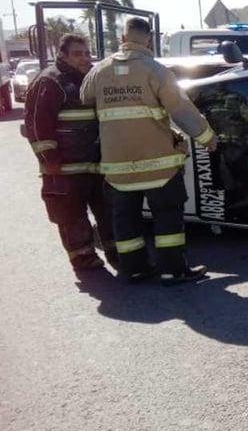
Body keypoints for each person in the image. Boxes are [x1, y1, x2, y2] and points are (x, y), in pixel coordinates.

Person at [81, 17, 219, 285]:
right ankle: (172, 271)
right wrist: (207, 137)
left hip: (117, 170)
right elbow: (181, 110)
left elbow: (85, 99)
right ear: (149, 40)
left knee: (126, 222)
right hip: (159, 167)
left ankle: (134, 269)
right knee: (168, 220)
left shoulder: (99, 72)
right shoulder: (155, 71)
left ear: (123, 38)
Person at [23, 33, 117, 273]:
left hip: (96, 166)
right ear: (62, 55)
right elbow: (37, 123)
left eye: (87, 53)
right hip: (64, 169)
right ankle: (83, 259)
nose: (85, 58)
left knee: (109, 213)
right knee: (71, 218)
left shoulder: (93, 79)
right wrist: (48, 159)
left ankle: (117, 253)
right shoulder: (50, 82)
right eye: (77, 54)